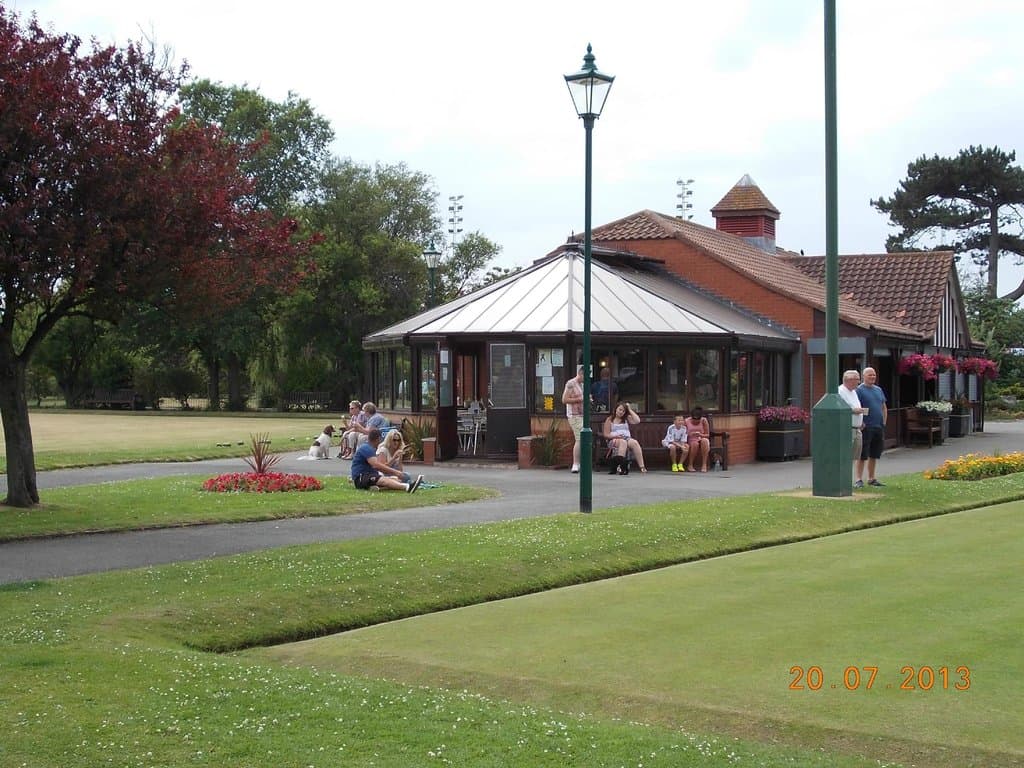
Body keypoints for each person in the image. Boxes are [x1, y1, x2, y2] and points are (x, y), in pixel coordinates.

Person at [351, 428, 423, 493]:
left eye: (398, 440)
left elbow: (399, 470)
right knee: (383, 480)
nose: (396, 442)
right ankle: (407, 487)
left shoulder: (371, 449)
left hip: (371, 475)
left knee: (397, 479)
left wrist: (398, 466)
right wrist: (395, 472)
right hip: (362, 477)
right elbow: (376, 465)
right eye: (394, 440)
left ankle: (376, 487)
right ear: (378, 439)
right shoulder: (367, 448)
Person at [856, 366, 888, 488]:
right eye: (870, 375)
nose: (872, 377)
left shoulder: (878, 390)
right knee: (862, 454)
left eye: (874, 375)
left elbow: (883, 407)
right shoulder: (859, 390)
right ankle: (858, 479)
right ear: (863, 376)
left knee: (874, 454)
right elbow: (856, 407)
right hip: (865, 427)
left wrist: (883, 422)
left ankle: (871, 478)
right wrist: (861, 421)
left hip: (878, 426)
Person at [837, 370, 869, 484]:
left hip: (857, 428)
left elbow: (856, 406)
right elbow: (839, 409)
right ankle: (842, 479)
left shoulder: (853, 391)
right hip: (847, 429)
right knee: (844, 455)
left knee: (854, 456)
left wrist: (860, 421)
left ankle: (848, 479)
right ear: (849, 380)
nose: (859, 382)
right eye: (857, 379)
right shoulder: (840, 391)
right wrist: (853, 411)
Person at [603, 401, 646, 474]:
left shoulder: (626, 418)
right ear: (616, 409)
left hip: (626, 438)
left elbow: (637, 420)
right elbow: (606, 434)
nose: (621, 412)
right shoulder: (610, 419)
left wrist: (629, 409)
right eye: (620, 410)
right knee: (623, 442)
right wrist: (615, 436)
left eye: (623, 411)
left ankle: (642, 466)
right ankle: (620, 465)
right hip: (614, 439)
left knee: (634, 443)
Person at [562, 366, 585, 474]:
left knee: (583, 438)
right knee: (579, 438)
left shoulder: (583, 385)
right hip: (574, 415)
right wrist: (579, 399)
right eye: (585, 376)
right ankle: (575, 463)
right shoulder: (571, 383)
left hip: (582, 414)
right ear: (580, 374)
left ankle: (580, 462)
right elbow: (564, 399)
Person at [684, 406, 711, 472]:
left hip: (701, 437)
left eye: (697, 420)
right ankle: (690, 465)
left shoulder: (704, 420)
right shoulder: (687, 421)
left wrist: (700, 435)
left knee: (704, 441)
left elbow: (707, 435)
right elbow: (683, 434)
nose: (696, 421)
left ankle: (704, 464)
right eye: (694, 419)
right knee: (695, 444)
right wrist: (690, 434)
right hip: (691, 439)